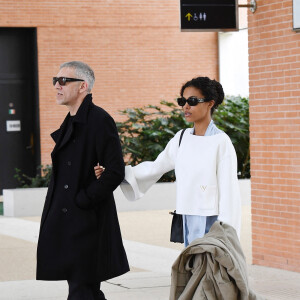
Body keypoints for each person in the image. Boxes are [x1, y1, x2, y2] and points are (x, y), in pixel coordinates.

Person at [95, 76, 241, 247]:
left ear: (210, 103)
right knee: (191, 268)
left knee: (211, 270)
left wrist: (227, 235)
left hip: (212, 221)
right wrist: (114, 173)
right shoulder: (181, 138)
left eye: (192, 101)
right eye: (182, 101)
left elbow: (229, 192)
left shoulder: (221, 142)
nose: (186, 106)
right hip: (187, 216)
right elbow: (155, 168)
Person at [36, 61, 129, 300]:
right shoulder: (72, 120)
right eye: (55, 81)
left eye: (64, 81)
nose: (57, 85)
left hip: (87, 222)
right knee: (83, 289)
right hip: (69, 222)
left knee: (82, 289)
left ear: (82, 86)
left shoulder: (99, 120)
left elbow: (115, 171)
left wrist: (84, 199)